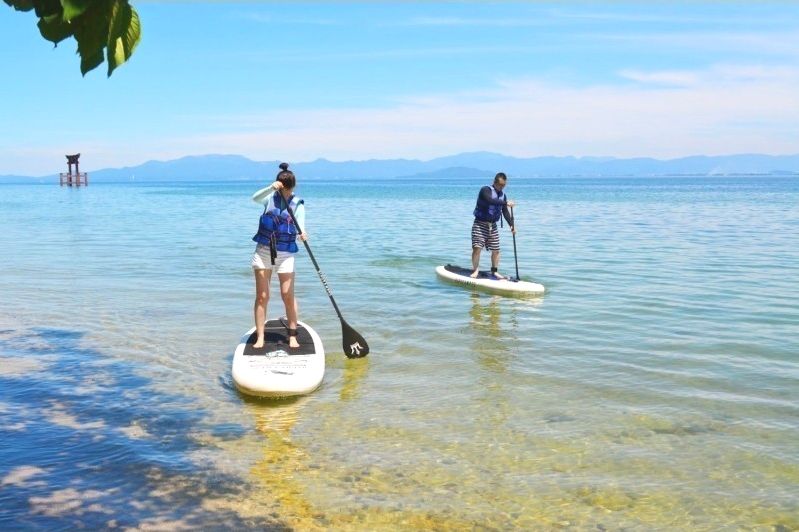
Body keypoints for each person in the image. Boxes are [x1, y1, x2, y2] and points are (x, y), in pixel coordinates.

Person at [251, 162, 308, 349]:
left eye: (288, 189)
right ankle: (260, 336)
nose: (286, 193)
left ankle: (292, 335)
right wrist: (270, 187)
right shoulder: (269, 198)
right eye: (283, 189)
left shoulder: (297, 204)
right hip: (264, 252)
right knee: (262, 296)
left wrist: (302, 234)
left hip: (285, 253)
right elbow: (254, 198)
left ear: (293, 187)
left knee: (287, 295)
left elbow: (300, 225)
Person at [470, 172, 515, 279]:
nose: (501, 188)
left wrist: (512, 225)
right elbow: (490, 200)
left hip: (493, 226)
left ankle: (494, 271)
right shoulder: (485, 190)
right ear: (494, 182)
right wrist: (505, 203)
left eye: (503, 186)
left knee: (496, 250)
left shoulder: (503, 195)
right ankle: (475, 270)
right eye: (500, 185)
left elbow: (505, 212)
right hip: (480, 224)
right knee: (477, 247)